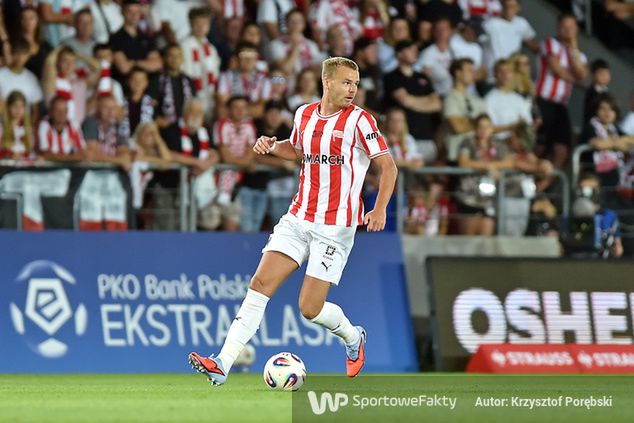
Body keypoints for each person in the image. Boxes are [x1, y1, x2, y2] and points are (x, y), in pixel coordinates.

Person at [188, 57, 398, 385]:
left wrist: (380, 208)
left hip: (335, 227)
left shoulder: (360, 121)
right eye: (346, 82)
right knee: (259, 285)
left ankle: (353, 336)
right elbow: (299, 150)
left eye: (355, 84)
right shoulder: (304, 114)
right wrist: (273, 146)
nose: (352, 90)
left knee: (310, 308)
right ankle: (222, 363)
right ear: (327, 82)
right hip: (299, 217)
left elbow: (388, 167)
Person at [535, 13, 588, 169]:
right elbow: (558, 70)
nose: (568, 30)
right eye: (564, 27)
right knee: (539, 146)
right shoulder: (550, 44)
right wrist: (577, 80)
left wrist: (574, 47)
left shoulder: (579, 55)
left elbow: (582, 74)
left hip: (561, 105)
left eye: (571, 27)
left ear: (576, 29)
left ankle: (545, 182)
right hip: (543, 100)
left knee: (562, 150)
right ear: (558, 28)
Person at [456, 114, 514, 235]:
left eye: (487, 127)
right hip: (469, 198)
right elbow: (463, 162)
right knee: (468, 238)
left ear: (492, 128)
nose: (484, 130)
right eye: (480, 127)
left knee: (486, 239)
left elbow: (509, 163)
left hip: (489, 200)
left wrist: (493, 166)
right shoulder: (468, 142)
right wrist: (487, 166)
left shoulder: (498, 144)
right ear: (475, 129)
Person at [384, 40, 442, 143]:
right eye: (410, 50)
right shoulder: (392, 77)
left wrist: (412, 101)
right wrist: (427, 101)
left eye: (415, 50)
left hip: (426, 136)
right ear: (399, 54)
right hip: (403, 138)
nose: (415, 53)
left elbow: (437, 104)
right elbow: (404, 101)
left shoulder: (423, 77)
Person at [213, 96, 257, 232]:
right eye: (236, 107)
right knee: (211, 223)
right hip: (217, 182)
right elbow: (225, 157)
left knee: (231, 224)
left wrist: (246, 161)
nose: (240, 111)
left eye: (243, 108)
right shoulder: (222, 125)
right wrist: (245, 163)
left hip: (237, 183)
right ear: (228, 109)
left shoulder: (249, 126)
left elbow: (252, 152)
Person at [578, 94, 634, 189]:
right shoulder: (590, 127)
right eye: (603, 109)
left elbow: (631, 139)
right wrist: (617, 144)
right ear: (596, 110)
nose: (607, 113)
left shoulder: (614, 129)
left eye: (611, 109)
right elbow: (598, 144)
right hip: (593, 173)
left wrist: (611, 143)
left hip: (614, 173)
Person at [482, 0, 538, 83]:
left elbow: (532, 44)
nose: (509, 10)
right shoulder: (490, 24)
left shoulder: (522, 23)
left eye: (512, 6)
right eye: (506, 6)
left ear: (518, 8)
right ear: (501, 6)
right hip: (492, 77)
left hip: (511, 77)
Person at [180, 7, 220, 120]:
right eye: (197, 23)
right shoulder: (183, 46)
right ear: (191, 24)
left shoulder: (211, 49)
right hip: (190, 94)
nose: (201, 27)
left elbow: (215, 75)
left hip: (209, 96)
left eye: (204, 23)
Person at [443, 58, 487, 162]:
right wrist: (477, 123)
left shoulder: (477, 100)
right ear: (458, 73)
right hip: (456, 155)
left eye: (474, 71)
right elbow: (457, 127)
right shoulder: (450, 98)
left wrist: (466, 122)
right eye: (469, 70)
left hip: (477, 154)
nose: (474, 74)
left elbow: (487, 126)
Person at [109, 0, 162, 83]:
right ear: (122, 12)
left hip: (148, 85)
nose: (134, 15)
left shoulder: (146, 37)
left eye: (137, 12)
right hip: (126, 85)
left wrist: (134, 63)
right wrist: (146, 63)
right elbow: (124, 68)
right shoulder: (115, 38)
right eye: (130, 12)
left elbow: (157, 64)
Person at [216, 42, 271, 119]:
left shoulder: (264, 78)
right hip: (231, 121)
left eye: (252, 56)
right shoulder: (225, 76)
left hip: (255, 122)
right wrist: (252, 110)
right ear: (236, 58)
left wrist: (236, 111)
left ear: (256, 59)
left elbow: (263, 109)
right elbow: (222, 105)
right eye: (244, 55)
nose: (248, 60)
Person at [266, 9, 323, 77]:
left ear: (304, 24)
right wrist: (296, 47)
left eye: (299, 21)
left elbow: (317, 71)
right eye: (292, 21)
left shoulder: (312, 45)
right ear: (286, 24)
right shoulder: (276, 44)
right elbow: (285, 70)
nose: (296, 24)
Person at [0, 38, 43, 120]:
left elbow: (35, 111)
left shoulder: (32, 78)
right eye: (17, 53)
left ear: (28, 56)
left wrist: (29, 126)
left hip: (25, 126)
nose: (20, 57)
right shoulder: (1, 75)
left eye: (23, 54)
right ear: (11, 53)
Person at [37, 96, 87, 162]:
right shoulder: (44, 125)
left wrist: (75, 157)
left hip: (68, 166)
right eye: (57, 110)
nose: (61, 114)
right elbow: (46, 154)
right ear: (50, 112)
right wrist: (72, 158)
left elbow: (82, 152)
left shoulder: (73, 125)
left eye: (64, 111)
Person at [415, 18, 454, 97]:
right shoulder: (427, 53)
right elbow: (418, 72)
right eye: (438, 29)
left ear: (450, 31)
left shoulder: (456, 50)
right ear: (433, 32)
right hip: (438, 94)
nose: (441, 32)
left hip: (456, 92)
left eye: (444, 29)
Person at [0, 91, 34, 159]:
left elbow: (30, 151)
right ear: (8, 107)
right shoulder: (2, 127)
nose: (18, 109)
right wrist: (10, 155)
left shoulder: (27, 128)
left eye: (22, 106)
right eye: (15, 106)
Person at [583, 59, 611, 124]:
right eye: (601, 73)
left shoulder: (607, 93)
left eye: (607, 73)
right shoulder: (591, 93)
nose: (604, 76)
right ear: (593, 75)